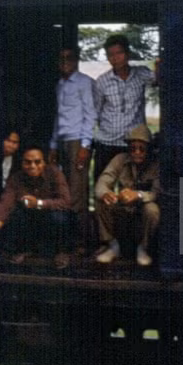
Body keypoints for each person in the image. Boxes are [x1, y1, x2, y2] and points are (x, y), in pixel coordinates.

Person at [0, 145, 72, 268]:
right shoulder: (16, 178)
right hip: (31, 220)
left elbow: (65, 202)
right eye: (28, 162)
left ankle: (61, 252)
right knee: (16, 214)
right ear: (22, 163)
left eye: (37, 162)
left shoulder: (54, 173)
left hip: (52, 219)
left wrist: (39, 203)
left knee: (60, 217)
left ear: (44, 162)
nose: (32, 166)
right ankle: (24, 250)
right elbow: (4, 206)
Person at [94, 124, 160, 266]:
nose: (137, 152)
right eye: (133, 148)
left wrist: (138, 195)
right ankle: (112, 245)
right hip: (123, 211)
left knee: (152, 210)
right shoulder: (120, 159)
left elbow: (157, 193)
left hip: (142, 212)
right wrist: (106, 193)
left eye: (142, 149)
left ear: (149, 149)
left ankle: (143, 248)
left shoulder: (156, 164)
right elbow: (102, 182)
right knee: (101, 201)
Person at [92, 34, 155, 184]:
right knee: (102, 186)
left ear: (127, 54)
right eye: (110, 55)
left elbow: (161, 79)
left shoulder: (141, 74)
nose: (115, 58)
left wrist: (160, 64)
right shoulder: (102, 81)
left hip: (132, 145)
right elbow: (95, 112)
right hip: (106, 144)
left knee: (129, 188)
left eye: (119, 53)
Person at [49, 48, 95, 247]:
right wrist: (53, 145)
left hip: (77, 142)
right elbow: (58, 117)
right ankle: (66, 241)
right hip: (62, 142)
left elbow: (90, 114)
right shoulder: (59, 84)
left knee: (77, 194)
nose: (65, 61)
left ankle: (81, 243)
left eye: (69, 58)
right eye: (61, 58)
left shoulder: (84, 82)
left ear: (76, 60)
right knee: (63, 191)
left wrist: (85, 146)